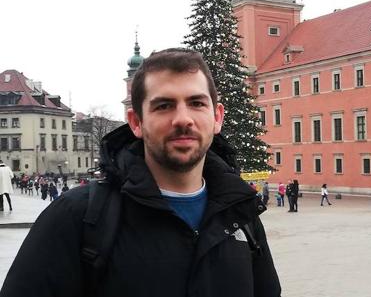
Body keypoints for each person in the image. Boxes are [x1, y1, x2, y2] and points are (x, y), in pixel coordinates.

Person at [0, 48, 280, 297]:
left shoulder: (241, 217)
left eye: (196, 103)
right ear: (136, 122)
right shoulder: (77, 217)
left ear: (217, 117)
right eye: (164, 105)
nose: (183, 119)